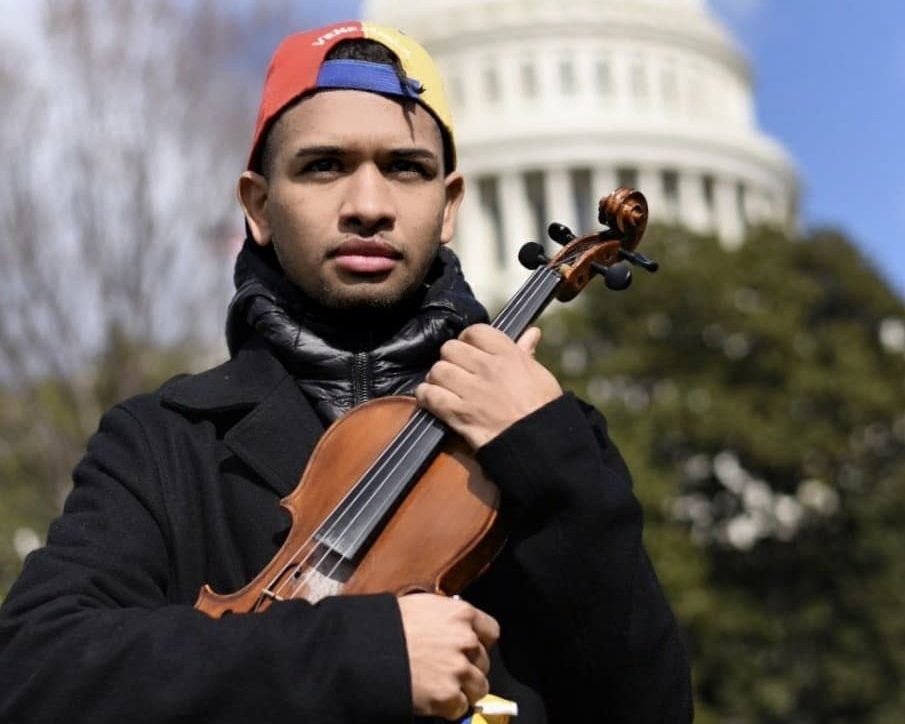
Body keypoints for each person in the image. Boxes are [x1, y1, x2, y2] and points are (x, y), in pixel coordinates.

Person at [0, 20, 692, 723]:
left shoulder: (550, 437)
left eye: (405, 168)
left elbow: (649, 707)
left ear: (448, 205)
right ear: (260, 207)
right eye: (323, 166)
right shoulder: (162, 441)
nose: (368, 206)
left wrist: (551, 460)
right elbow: (34, 672)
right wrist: (364, 653)